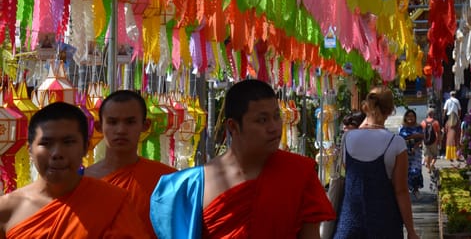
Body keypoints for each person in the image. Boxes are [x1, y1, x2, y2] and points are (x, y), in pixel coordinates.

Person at [150, 79, 335, 238]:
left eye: (276, 117)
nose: (274, 127)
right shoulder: (192, 186)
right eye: (262, 120)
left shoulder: (298, 173)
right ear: (233, 126)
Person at [0, 101, 149, 238]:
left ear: (85, 148)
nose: (57, 153)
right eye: (46, 143)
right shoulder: (7, 208)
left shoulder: (113, 203)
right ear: (30, 150)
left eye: (68, 142)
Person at [85, 90, 176, 238]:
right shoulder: (82, 181)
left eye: (130, 122)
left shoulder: (167, 179)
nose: (121, 130)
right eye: (112, 122)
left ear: (145, 125)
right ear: (99, 127)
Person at [332, 86, 420, 239]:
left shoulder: (347, 138)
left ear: (366, 106)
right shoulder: (396, 143)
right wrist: (411, 230)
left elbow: (352, 174)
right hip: (385, 224)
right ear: (391, 109)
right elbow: (401, 191)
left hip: (350, 223)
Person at [397, 109, 424, 199]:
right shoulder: (402, 127)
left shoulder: (419, 127)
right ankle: (405, 191)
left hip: (415, 152)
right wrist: (414, 136)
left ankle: (415, 189)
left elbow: (421, 138)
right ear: (405, 117)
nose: (410, 118)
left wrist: (414, 146)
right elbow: (401, 138)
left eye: (412, 116)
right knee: (405, 172)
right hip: (404, 151)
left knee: (415, 171)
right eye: (408, 116)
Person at [442, 91, 461, 161]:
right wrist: (459, 117)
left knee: (449, 136)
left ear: (450, 95)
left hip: (449, 117)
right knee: (456, 137)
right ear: (455, 95)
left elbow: (444, 110)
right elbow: (459, 110)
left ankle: (450, 155)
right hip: (455, 118)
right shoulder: (457, 101)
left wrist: (443, 118)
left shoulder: (447, 101)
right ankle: (457, 155)